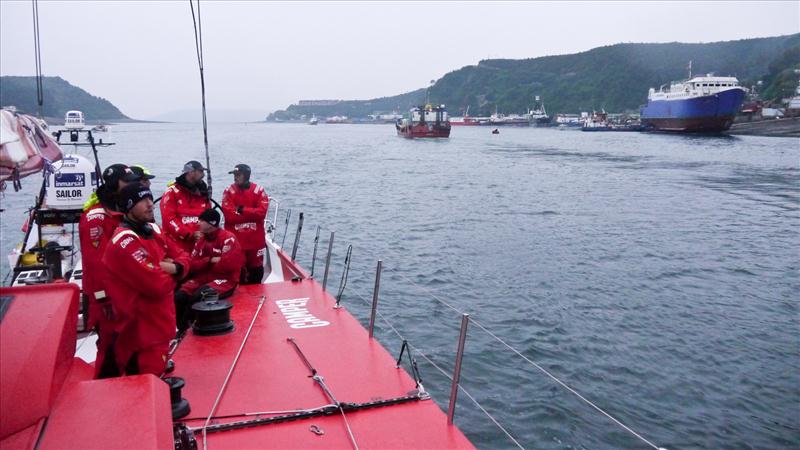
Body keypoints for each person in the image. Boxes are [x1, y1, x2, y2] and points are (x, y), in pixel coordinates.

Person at [103, 182, 190, 376]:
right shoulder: (124, 241)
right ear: (128, 206)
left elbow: (184, 256)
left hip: (161, 328)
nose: (150, 204)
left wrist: (173, 267)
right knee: (147, 392)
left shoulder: (153, 230)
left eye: (150, 198)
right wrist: (176, 271)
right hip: (141, 337)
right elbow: (157, 286)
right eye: (142, 200)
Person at [78, 164, 140, 378]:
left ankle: (131, 377)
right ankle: (105, 384)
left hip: (125, 291)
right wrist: (104, 299)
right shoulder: (96, 218)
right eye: (126, 181)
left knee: (129, 340)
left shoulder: (123, 210)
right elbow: (95, 264)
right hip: (105, 297)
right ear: (114, 184)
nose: (131, 185)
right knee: (110, 344)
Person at [174, 208, 244, 334]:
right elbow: (193, 264)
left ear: (211, 223)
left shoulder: (228, 239)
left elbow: (229, 265)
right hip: (204, 277)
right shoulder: (202, 239)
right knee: (180, 295)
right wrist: (209, 260)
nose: (198, 223)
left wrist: (207, 263)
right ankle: (180, 327)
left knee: (200, 295)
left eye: (201, 221)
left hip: (226, 280)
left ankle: (186, 329)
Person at [221, 164, 269, 284]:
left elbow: (262, 213)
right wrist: (252, 213)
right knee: (237, 272)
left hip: (255, 242)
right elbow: (229, 216)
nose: (235, 178)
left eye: (238, 175)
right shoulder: (228, 192)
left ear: (246, 176)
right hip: (237, 242)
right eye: (234, 175)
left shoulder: (259, 191)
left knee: (257, 271)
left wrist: (242, 210)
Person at [160, 160, 211, 253]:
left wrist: (206, 234)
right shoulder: (171, 193)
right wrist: (189, 234)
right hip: (176, 246)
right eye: (201, 171)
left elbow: (209, 217)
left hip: (200, 244)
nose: (203, 175)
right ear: (191, 172)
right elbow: (169, 219)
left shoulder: (203, 193)